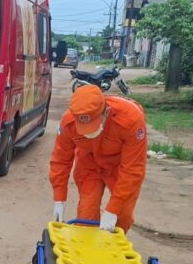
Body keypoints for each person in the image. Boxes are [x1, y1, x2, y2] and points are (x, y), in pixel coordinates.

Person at [49, 85, 148, 232]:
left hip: (119, 166)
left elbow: (133, 169)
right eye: (83, 126)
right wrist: (59, 198)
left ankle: (112, 251)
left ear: (105, 112)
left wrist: (113, 208)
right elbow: (60, 160)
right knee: (86, 215)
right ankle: (87, 251)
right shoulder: (68, 122)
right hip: (89, 163)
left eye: (93, 125)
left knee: (122, 216)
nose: (88, 132)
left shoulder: (131, 120)